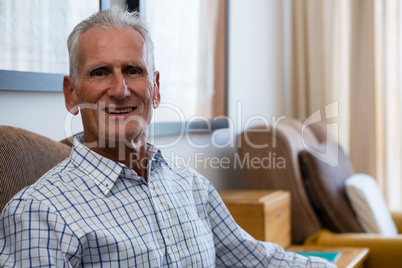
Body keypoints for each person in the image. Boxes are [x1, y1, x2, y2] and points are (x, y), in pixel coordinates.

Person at [0, 6, 335, 267]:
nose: (120, 89)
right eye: (100, 72)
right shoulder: (38, 214)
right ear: (71, 94)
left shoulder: (190, 186)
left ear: (156, 89)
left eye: (133, 70)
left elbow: (256, 260)